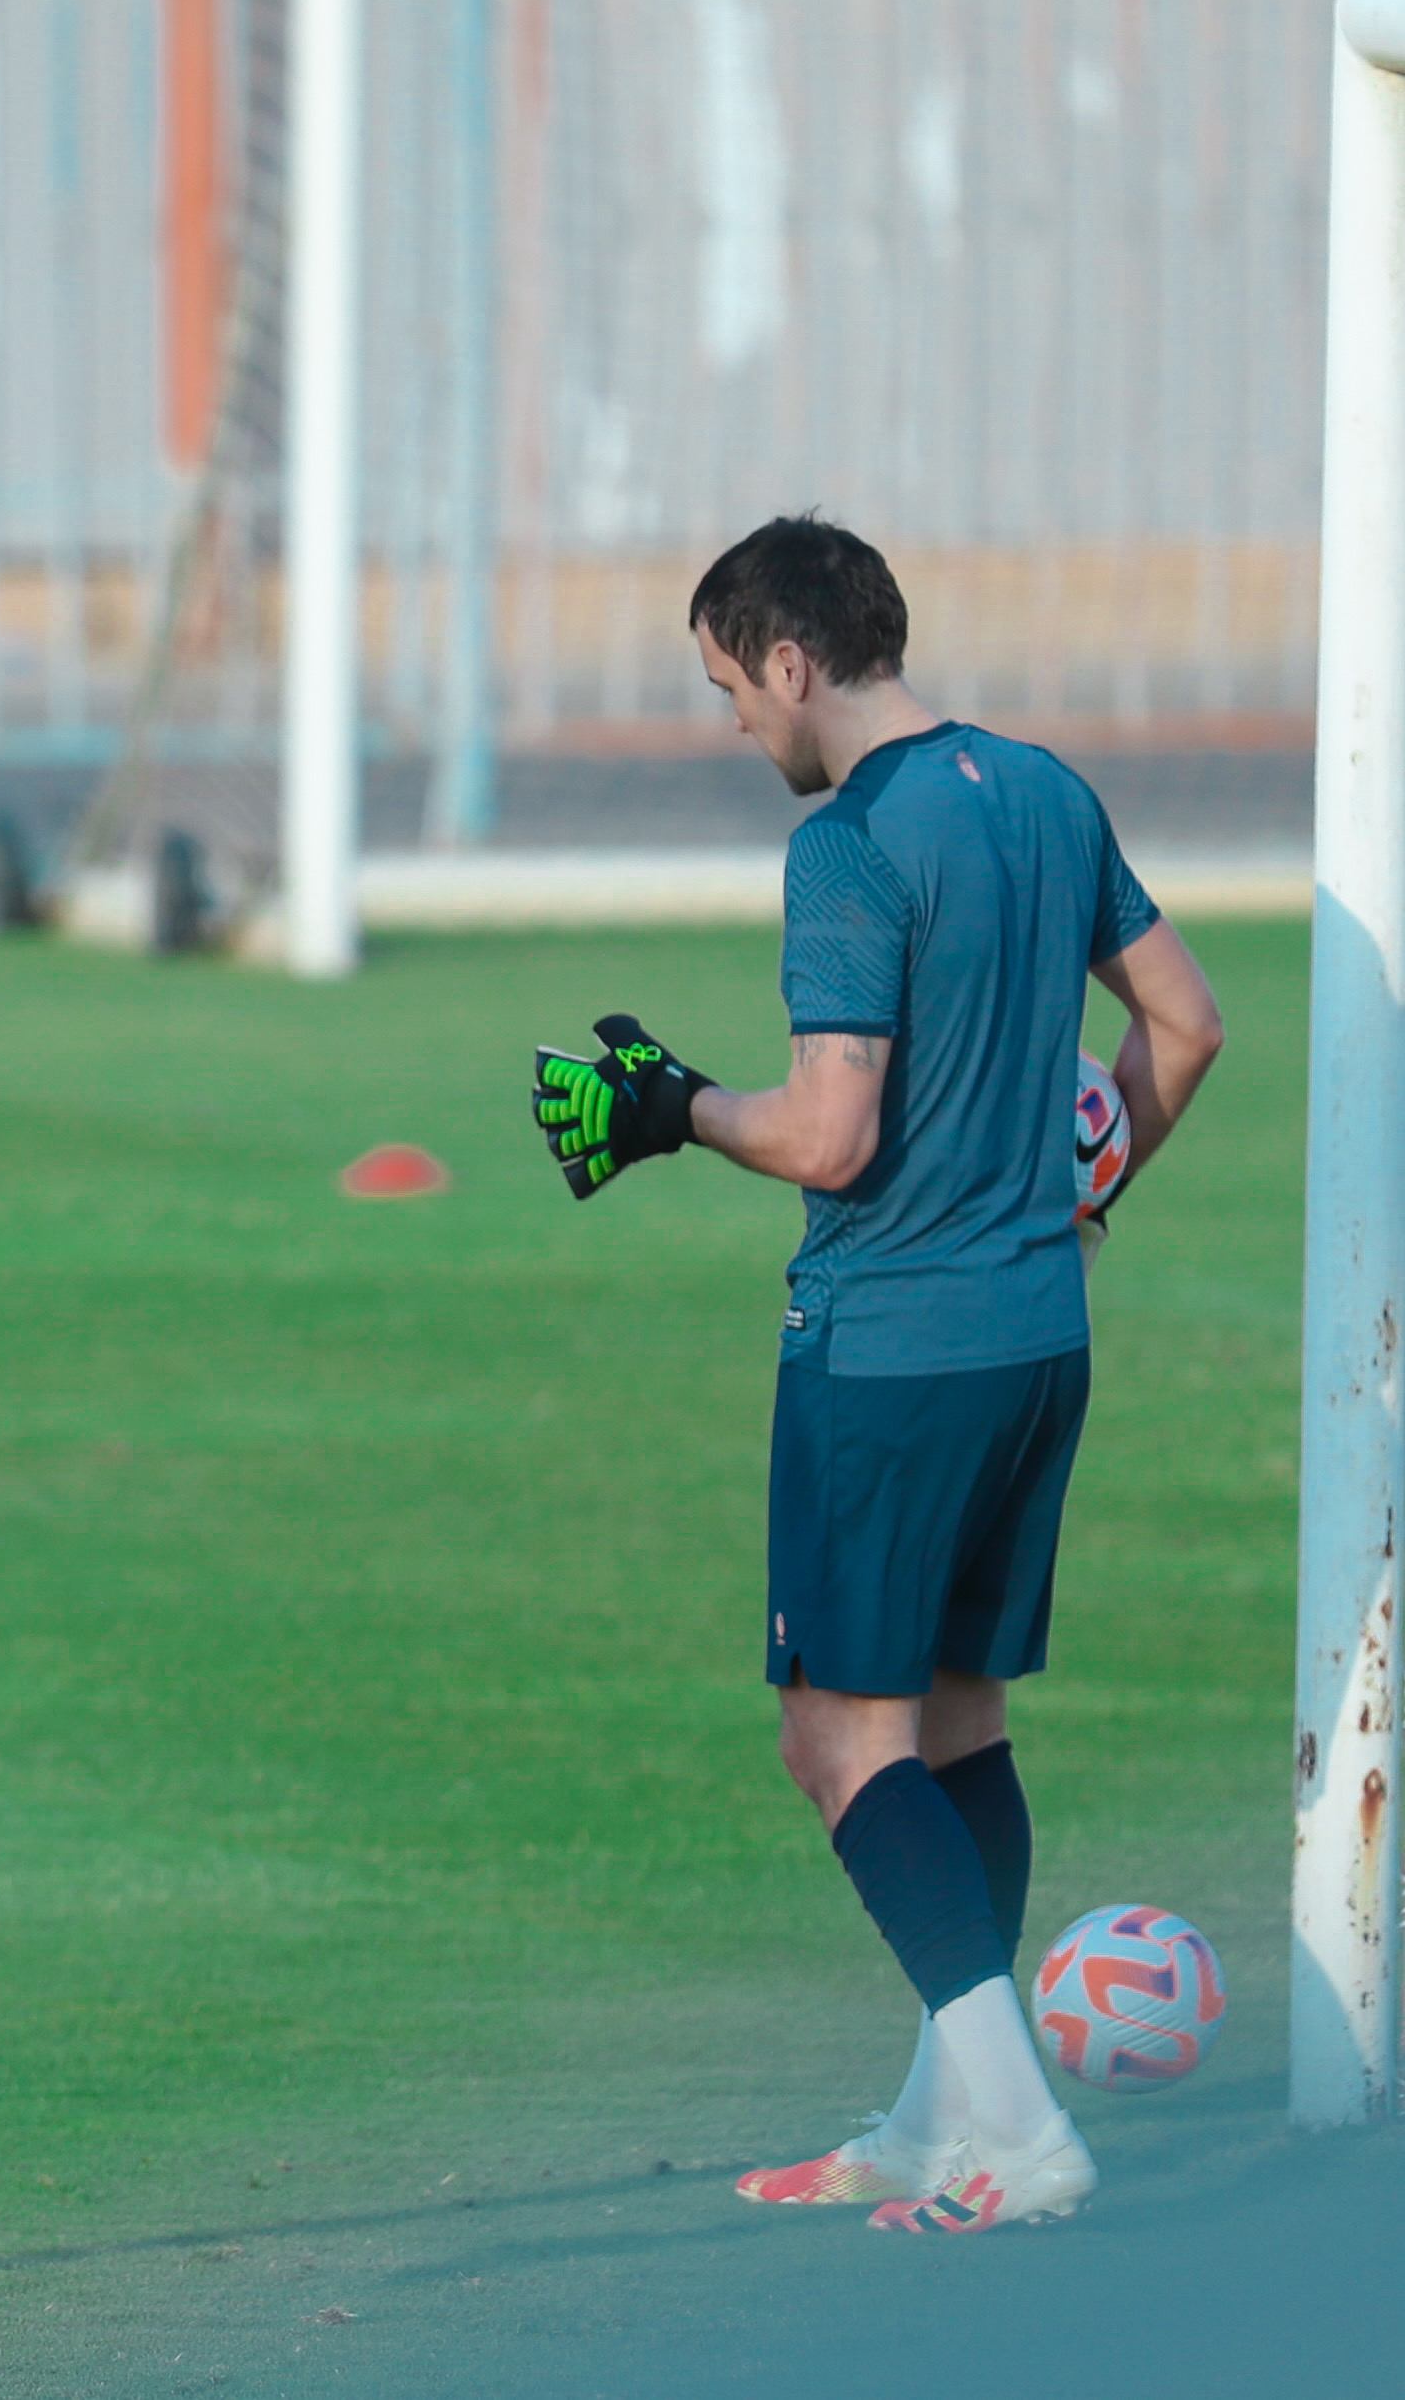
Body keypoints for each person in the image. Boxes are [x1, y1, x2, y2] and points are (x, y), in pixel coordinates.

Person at [531, 516, 1222, 2234]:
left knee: (839, 1740)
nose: (738, 727)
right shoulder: (1047, 791)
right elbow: (1187, 1023)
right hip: (1038, 1343)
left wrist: (667, 1108)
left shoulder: (851, 846)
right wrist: (1093, 1175)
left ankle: (1027, 2136)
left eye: (726, 689)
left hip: (889, 1346)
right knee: (956, 1722)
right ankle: (940, 2123)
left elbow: (834, 1136)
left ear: (788, 659)